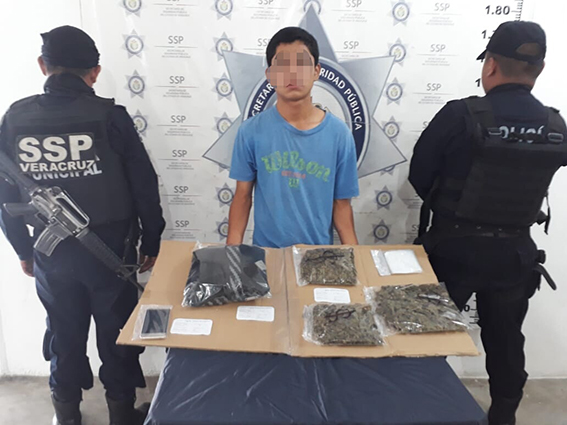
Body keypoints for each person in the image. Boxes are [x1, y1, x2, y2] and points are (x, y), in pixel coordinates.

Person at [0, 26, 165, 425]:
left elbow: (5, 197)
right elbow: (144, 185)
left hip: (52, 255)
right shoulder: (111, 117)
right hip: (113, 255)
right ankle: (121, 415)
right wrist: (152, 242)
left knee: (63, 334)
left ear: (43, 66)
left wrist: (23, 249)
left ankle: (66, 414)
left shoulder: (15, 118)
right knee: (117, 337)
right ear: (94, 72)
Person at [409, 21, 567, 425]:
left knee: (425, 337)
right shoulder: (555, 126)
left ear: (491, 65)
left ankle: (414, 407)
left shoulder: (460, 115)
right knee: (506, 341)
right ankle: (504, 415)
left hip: (452, 252)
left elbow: (420, 175)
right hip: (514, 255)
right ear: (539, 69)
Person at [227, 26, 359, 247]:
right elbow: (242, 196)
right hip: (267, 254)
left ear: (316, 71)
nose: (292, 73)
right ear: (270, 75)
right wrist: (231, 253)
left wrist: (356, 257)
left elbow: (342, 206)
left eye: (301, 64)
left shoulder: (339, 135)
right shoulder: (250, 131)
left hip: (318, 256)